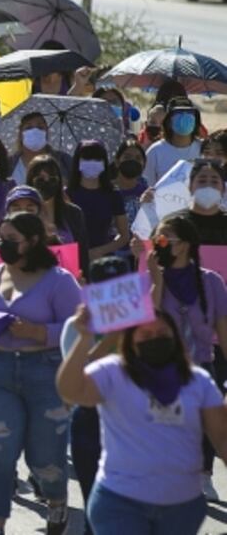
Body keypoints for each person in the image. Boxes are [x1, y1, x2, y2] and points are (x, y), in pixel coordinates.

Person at [0, 212, 81, 535]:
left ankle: (56, 502)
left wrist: (39, 332)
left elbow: (79, 328)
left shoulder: (60, 280)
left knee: (44, 455)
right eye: (1, 238)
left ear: (34, 241)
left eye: (12, 240)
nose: (3, 245)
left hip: (46, 373)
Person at [57, 307, 227, 535]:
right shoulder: (112, 372)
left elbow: (222, 437)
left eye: (162, 333)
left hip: (181, 506)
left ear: (176, 337)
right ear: (130, 341)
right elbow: (70, 390)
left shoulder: (198, 381)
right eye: (146, 335)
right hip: (119, 502)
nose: (155, 339)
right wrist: (84, 338)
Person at [134, 214, 227, 499]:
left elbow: (223, 329)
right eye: (156, 239)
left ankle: (203, 474)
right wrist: (157, 280)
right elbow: (145, 323)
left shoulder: (211, 281)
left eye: (164, 239)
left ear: (184, 244)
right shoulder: (149, 279)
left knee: (209, 426)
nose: (158, 244)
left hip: (202, 365)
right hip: (163, 370)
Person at [57, 256, 131, 535]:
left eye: (119, 286)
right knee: (95, 502)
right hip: (90, 419)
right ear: (88, 287)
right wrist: (110, 338)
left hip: (132, 421)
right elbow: (76, 379)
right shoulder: (75, 326)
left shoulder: (146, 325)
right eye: (104, 287)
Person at [66, 141, 129, 261]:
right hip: (74, 259)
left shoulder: (113, 194)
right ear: (77, 162)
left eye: (97, 159)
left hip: (104, 261)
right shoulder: (66, 194)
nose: (92, 163)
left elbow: (124, 236)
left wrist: (100, 251)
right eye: (87, 158)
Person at [27, 154, 90, 273]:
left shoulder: (74, 213)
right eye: (40, 179)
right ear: (31, 181)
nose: (46, 183)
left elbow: (83, 256)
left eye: (52, 179)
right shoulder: (24, 214)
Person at [143, 98, 202, 184]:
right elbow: (148, 185)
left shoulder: (204, 148)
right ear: (168, 121)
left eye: (189, 113)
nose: (184, 116)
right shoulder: (155, 152)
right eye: (178, 113)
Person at [9, 111, 73, 185]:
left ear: (47, 132)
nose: (35, 131)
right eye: (28, 128)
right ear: (20, 134)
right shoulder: (8, 164)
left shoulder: (64, 161)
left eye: (40, 127)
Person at [176, 159, 227, 245]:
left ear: (224, 190)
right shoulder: (174, 224)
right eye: (202, 181)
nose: (208, 186)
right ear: (190, 187)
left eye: (214, 182)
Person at [112, 139, 149, 236]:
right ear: (117, 161)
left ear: (144, 164)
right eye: (127, 157)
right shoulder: (106, 191)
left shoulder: (148, 194)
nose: (132, 161)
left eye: (138, 158)